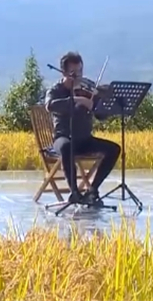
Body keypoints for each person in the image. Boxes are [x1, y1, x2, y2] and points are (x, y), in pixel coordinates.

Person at [44, 51, 121, 206]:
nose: (78, 76)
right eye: (73, 72)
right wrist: (77, 100)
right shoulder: (55, 90)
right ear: (64, 72)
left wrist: (97, 105)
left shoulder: (88, 89)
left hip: (85, 139)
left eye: (80, 71)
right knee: (66, 147)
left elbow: (101, 117)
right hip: (63, 137)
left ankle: (92, 189)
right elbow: (50, 105)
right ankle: (75, 192)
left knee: (114, 149)